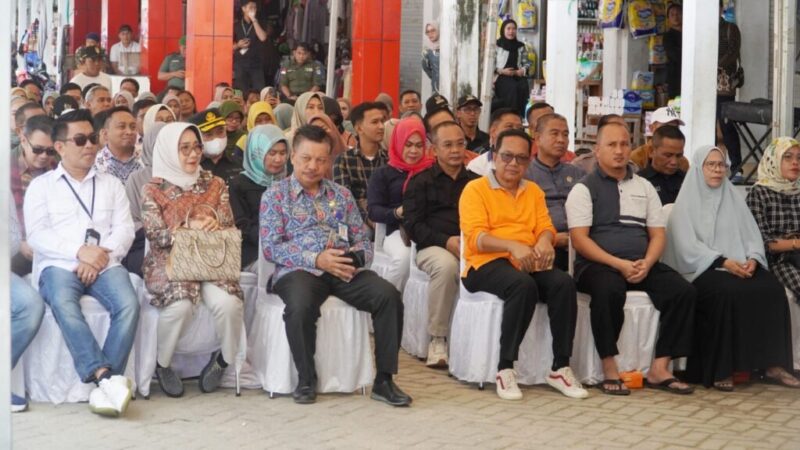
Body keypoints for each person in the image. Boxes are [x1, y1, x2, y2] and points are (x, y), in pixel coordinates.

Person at [261, 125, 410, 406]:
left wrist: (353, 258)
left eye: (321, 160)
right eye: (306, 158)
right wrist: (316, 259)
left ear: (329, 160)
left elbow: (364, 241)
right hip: (299, 270)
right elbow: (271, 247)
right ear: (293, 157)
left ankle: (384, 380)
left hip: (342, 268)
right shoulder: (275, 196)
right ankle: (306, 379)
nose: (313, 166)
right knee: (300, 305)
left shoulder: (341, 195)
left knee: (388, 296)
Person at [565, 122, 696, 396]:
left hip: (640, 263)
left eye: (624, 144)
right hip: (597, 265)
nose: (619, 151)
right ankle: (609, 368)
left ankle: (660, 367)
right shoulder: (583, 189)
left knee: (682, 292)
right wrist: (618, 264)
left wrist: (647, 263)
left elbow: (658, 235)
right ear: (597, 150)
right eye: (611, 145)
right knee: (609, 290)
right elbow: (580, 240)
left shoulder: (644, 187)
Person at [25, 109, 139, 416]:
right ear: (60, 147)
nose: (89, 145)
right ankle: (105, 377)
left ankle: (106, 384)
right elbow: (37, 235)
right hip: (59, 265)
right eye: (80, 140)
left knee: (129, 304)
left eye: (92, 138)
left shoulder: (111, 184)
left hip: (105, 262)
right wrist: (79, 252)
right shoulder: (42, 186)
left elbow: (125, 230)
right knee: (64, 303)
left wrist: (98, 256)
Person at [460, 128, 588, 400]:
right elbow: (476, 238)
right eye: (507, 156)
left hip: (527, 260)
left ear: (528, 161)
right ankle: (506, 368)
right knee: (523, 285)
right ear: (494, 156)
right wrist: (511, 246)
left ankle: (560, 367)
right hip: (484, 264)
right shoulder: (475, 189)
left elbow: (545, 226)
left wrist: (545, 240)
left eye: (521, 158)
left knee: (564, 283)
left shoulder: (533, 191)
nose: (513, 164)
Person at [663, 144, 799, 391]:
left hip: (739, 265)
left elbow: (752, 236)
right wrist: (723, 262)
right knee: (726, 292)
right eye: (711, 165)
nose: (717, 170)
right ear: (699, 168)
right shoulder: (685, 204)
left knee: (771, 289)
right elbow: (686, 246)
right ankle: (721, 368)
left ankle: (773, 365)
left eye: (721, 165)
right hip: (701, 269)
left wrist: (753, 259)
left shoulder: (733, 199)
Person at [141, 122, 244, 397]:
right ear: (168, 151)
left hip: (210, 259)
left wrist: (215, 224)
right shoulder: (153, 188)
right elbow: (155, 235)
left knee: (229, 304)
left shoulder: (215, 183)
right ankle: (163, 365)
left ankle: (223, 361)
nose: (193, 154)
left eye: (197, 147)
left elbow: (229, 223)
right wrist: (185, 229)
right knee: (181, 305)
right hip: (170, 261)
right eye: (184, 148)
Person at [403, 121, 479, 367]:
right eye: (448, 145)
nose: (455, 150)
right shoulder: (420, 182)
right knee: (446, 266)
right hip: (432, 247)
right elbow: (413, 226)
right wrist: (446, 241)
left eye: (460, 144)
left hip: (473, 246)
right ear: (434, 150)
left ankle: (479, 344)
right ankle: (438, 339)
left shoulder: (477, 183)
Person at [367, 118, 434, 290]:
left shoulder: (431, 170)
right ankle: (388, 300)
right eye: (408, 144)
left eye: (419, 145)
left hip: (429, 229)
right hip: (398, 231)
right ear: (398, 142)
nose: (414, 151)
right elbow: (373, 210)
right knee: (403, 259)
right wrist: (397, 212)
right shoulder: (383, 174)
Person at [524, 113, 585, 271]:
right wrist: (553, 238)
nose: (561, 140)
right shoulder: (525, 175)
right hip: (544, 246)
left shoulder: (578, 173)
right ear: (538, 138)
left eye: (565, 135)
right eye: (554, 134)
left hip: (581, 242)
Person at [747, 138, 800, 304]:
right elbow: (764, 243)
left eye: (799, 158)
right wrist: (796, 243)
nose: (795, 162)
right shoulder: (759, 193)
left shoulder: (798, 190)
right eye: (788, 157)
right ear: (774, 160)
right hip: (777, 260)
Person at [230, 125, 288, 272]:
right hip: (253, 252)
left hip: (287, 247)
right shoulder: (239, 184)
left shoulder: (288, 183)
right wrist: (271, 241)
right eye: (272, 153)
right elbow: (242, 225)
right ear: (257, 153)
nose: (278, 159)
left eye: (283, 153)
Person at [11, 115, 56, 276]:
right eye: (37, 149)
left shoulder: (58, 169)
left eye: (50, 151)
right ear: (23, 140)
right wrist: (19, 243)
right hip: (16, 250)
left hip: (54, 247)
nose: (44, 156)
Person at [334, 102, 388, 225]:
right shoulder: (344, 160)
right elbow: (343, 199)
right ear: (359, 128)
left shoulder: (390, 159)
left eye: (382, 121)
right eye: (375, 122)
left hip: (386, 218)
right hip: (356, 221)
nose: (381, 126)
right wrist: (367, 219)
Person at [124, 122, 166, 277]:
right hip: (145, 243)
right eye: (159, 145)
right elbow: (131, 221)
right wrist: (160, 233)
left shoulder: (190, 174)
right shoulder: (137, 179)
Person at [717, 3, 743, 174]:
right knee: (707, 125)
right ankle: (711, 164)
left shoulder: (730, 28)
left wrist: (714, 65)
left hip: (724, 86)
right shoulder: (702, 29)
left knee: (727, 126)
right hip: (704, 84)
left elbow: (733, 52)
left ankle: (737, 167)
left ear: (721, 9)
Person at [190, 108, 242, 185]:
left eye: (220, 132)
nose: (216, 138)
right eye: (208, 135)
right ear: (197, 138)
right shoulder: (191, 167)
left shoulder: (240, 164)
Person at [637, 125, 687, 205]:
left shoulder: (688, 181)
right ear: (651, 151)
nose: (674, 162)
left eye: (679, 156)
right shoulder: (638, 181)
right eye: (668, 155)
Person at [467, 108, 524, 176]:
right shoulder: (477, 167)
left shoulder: (526, 165)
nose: (516, 132)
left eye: (519, 128)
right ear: (493, 131)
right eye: (509, 127)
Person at [630, 106, 689, 172]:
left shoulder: (683, 162)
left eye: (675, 128)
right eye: (666, 127)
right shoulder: (636, 158)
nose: (670, 131)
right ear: (652, 128)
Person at [95, 106, 141, 183]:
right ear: (105, 134)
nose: (129, 132)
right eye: (122, 127)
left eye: (133, 127)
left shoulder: (145, 158)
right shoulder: (95, 163)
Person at [494, 19, 530, 116]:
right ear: (503, 30)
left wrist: (522, 70)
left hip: (517, 75)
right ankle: (510, 116)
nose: (511, 31)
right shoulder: (497, 45)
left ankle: (521, 117)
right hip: (501, 76)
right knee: (512, 88)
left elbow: (527, 63)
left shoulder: (520, 46)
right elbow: (491, 65)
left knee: (523, 86)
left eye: (514, 29)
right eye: (508, 28)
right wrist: (502, 71)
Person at [234, 0, 269, 92]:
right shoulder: (236, 25)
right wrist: (238, 45)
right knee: (241, 91)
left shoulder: (260, 22)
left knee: (259, 90)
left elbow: (263, 37)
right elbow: (228, 46)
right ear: (243, 8)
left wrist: (254, 20)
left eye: (255, 8)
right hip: (240, 62)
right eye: (250, 7)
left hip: (256, 63)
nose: (253, 10)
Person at [663, 4, 683, 99]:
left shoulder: (690, 33)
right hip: (675, 77)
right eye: (672, 14)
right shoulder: (668, 36)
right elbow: (674, 55)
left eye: (678, 13)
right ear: (668, 18)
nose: (675, 17)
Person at [421, 23, 440, 92]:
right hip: (436, 86)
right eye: (428, 32)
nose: (430, 34)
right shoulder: (426, 49)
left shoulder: (447, 46)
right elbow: (425, 67)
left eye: (433, 30)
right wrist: (435, 77)